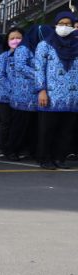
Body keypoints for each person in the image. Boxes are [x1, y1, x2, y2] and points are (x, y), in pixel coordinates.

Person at [34, 11, 78, 169]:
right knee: (47, 129)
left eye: (68, 24)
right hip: (51, 95)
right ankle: (45, 158)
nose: (64, 27)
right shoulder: (45, 45)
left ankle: (60, 158)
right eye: (61, 24)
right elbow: (39, 69)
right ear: (55, 25)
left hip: (72, 96)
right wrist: (41, 90)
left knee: (66, 130)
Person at [8, 25, 46, 160]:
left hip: (34, 95)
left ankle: (31, 151)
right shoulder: (23, 48)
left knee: (32, 126)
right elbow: (20, 67)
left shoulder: (37, 48)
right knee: (19, 125)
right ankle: (12, 151)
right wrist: (40, 75)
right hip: (23, 96)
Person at [0, 27, 25, 159]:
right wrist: (13, 89)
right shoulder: (3, 57)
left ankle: (16, 148)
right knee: (6, 122)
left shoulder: (28, 55)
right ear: (7, 41)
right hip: (5, 96)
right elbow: (0, 75)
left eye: (18, 38)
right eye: (12, 38)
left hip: (22, 96)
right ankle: (3, 147)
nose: (15, 40)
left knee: (18, 124)